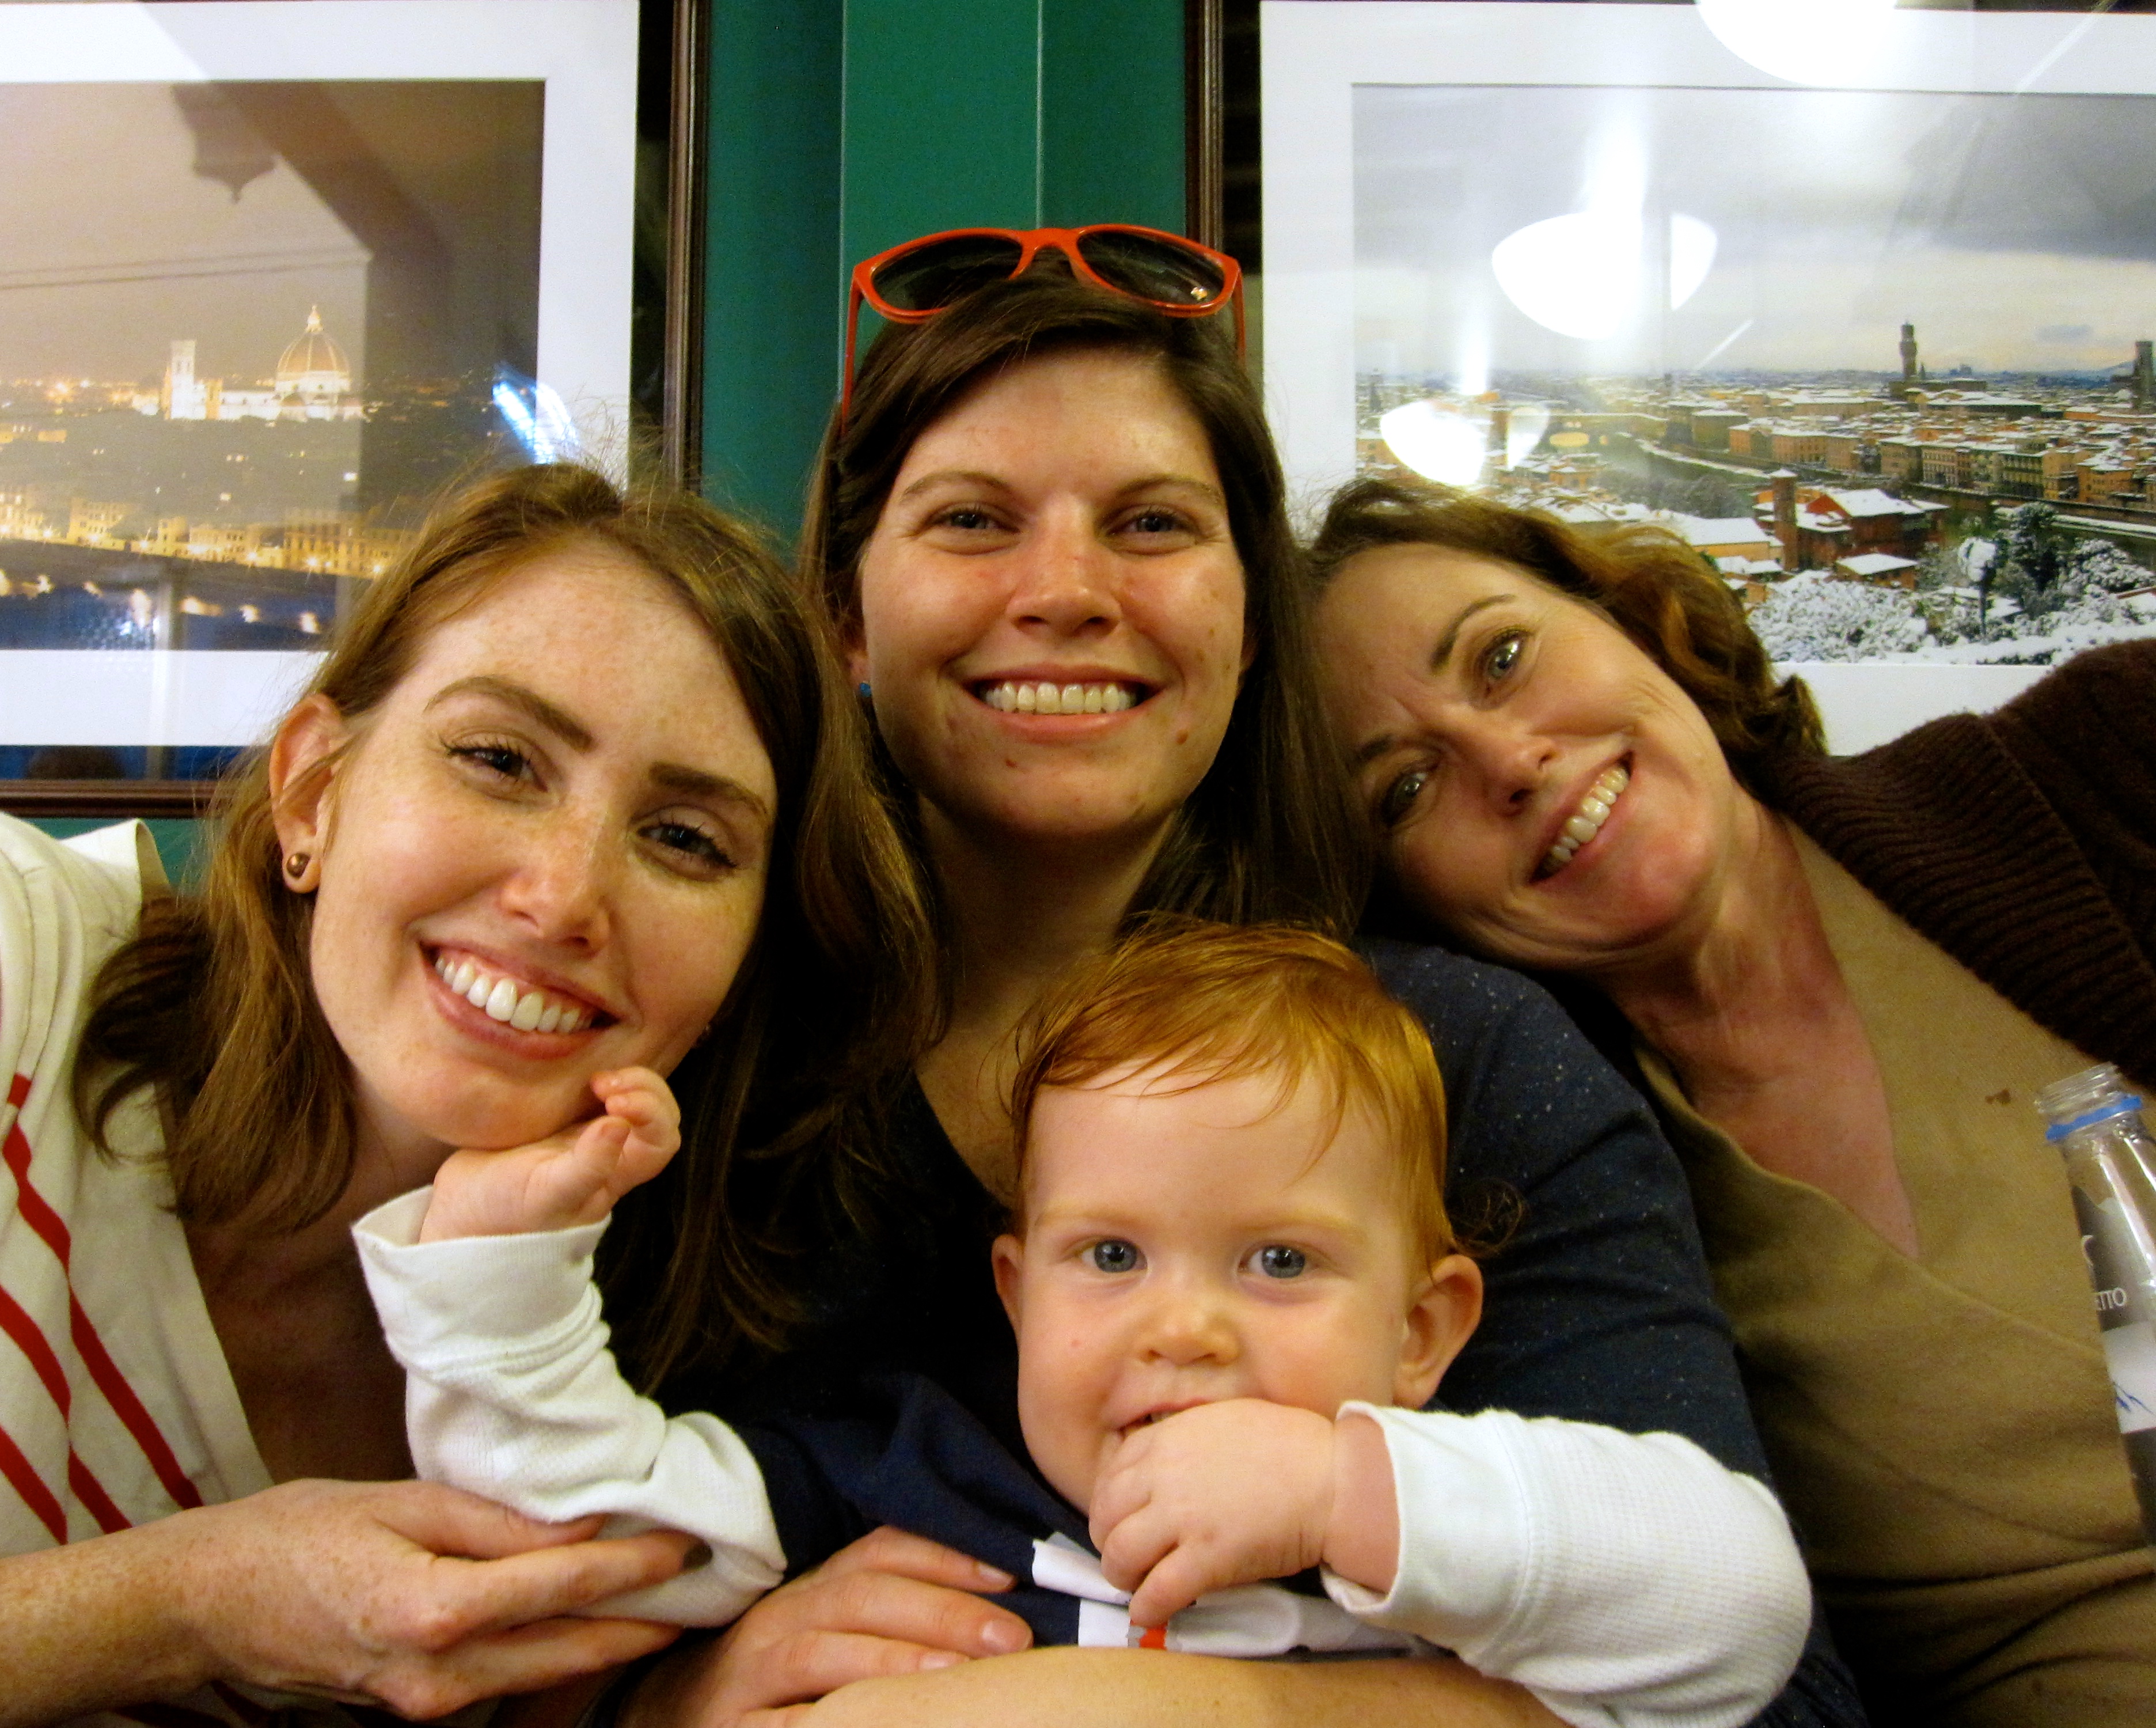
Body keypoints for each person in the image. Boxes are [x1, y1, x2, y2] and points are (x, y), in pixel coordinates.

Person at [608, 230, 1865, 1728]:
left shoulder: (1441, 1055)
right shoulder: (703, 1056)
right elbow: (491, 1589)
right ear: (844, 616)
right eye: (971, 521)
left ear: (1253, 617)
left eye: (1150, 523)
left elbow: (1773, 1699)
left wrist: (1172, 1713)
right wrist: (665, 1703)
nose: (1066, 591)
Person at [0, 463, 930, 1724]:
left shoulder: (596, 1417)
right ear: (313, 790)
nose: (564, 897)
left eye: (685, 840)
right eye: (498, 760)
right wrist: (191, 1600)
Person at [358, 918, 1810, 1726]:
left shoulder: (1461, 1564)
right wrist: (497, 1279)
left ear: (1422, 1331)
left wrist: (1341, 1492)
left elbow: (1741, 1617)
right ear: (1015, 1293)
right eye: (1108, 1255)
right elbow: (566, 1542)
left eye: (1280, 1262)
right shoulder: (903, 1479)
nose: (1181, 1328)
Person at [1307, 471, 2156, 1726]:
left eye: (1501, 658)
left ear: (1630, 619)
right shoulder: (1541, 1217)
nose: (1510, 760)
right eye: (1405, 789)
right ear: (1399, 902)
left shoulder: (2111, 761)